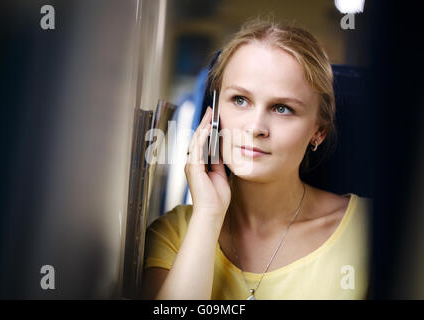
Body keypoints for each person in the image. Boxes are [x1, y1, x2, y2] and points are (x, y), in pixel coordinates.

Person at [141, 17, 372, 300]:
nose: (255, 128)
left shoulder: (370, 230)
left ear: (319, 132)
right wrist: (209, 217)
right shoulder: (173, 235)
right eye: (240, 100)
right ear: (212, 115)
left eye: (282, 108)